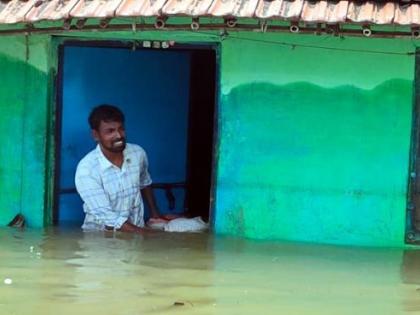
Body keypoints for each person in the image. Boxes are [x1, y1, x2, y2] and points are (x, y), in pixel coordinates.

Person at [75, 104, 160, 234]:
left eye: (121, 129)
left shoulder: (138, 153)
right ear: (96, 135)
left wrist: (155, 215)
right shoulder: (87, 170)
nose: (119, 135)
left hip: (137, 232)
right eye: (110, 131)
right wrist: (150, 236)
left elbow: (145, 183)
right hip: (101, 241)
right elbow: (111, 220)